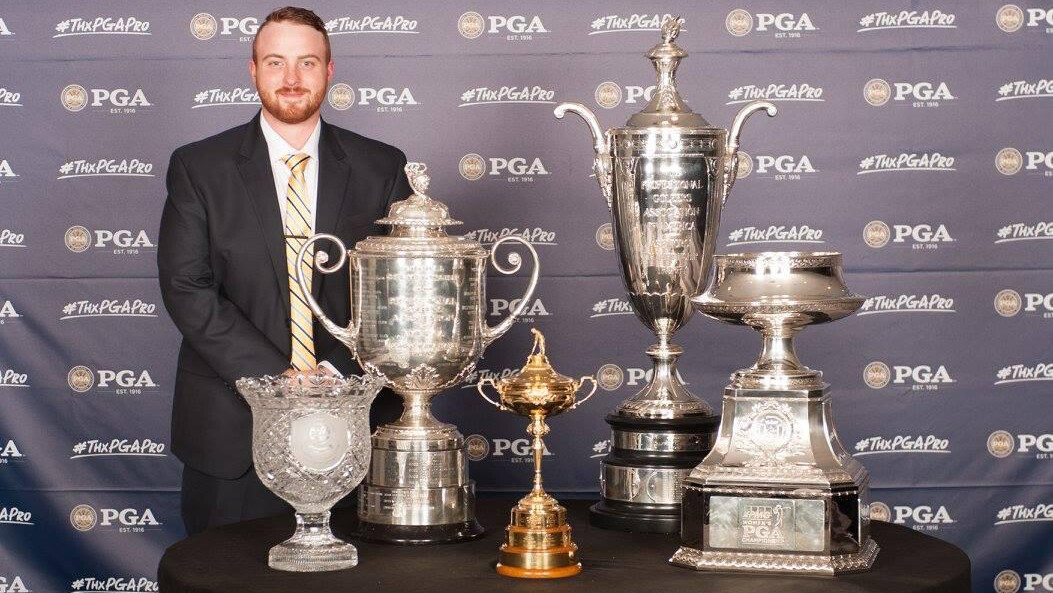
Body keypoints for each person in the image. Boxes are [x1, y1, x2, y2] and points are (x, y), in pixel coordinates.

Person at [157, 6, 409, 535]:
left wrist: (334, 376)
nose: (291, 79)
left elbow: (397, 296)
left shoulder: (382, 167)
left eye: (307, 63)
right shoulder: (198, 166)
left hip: (352, 427)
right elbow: (187, 286)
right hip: (232, 433)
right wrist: (282, 377)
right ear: (253, 70)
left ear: (330, 71)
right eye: (276, 63)